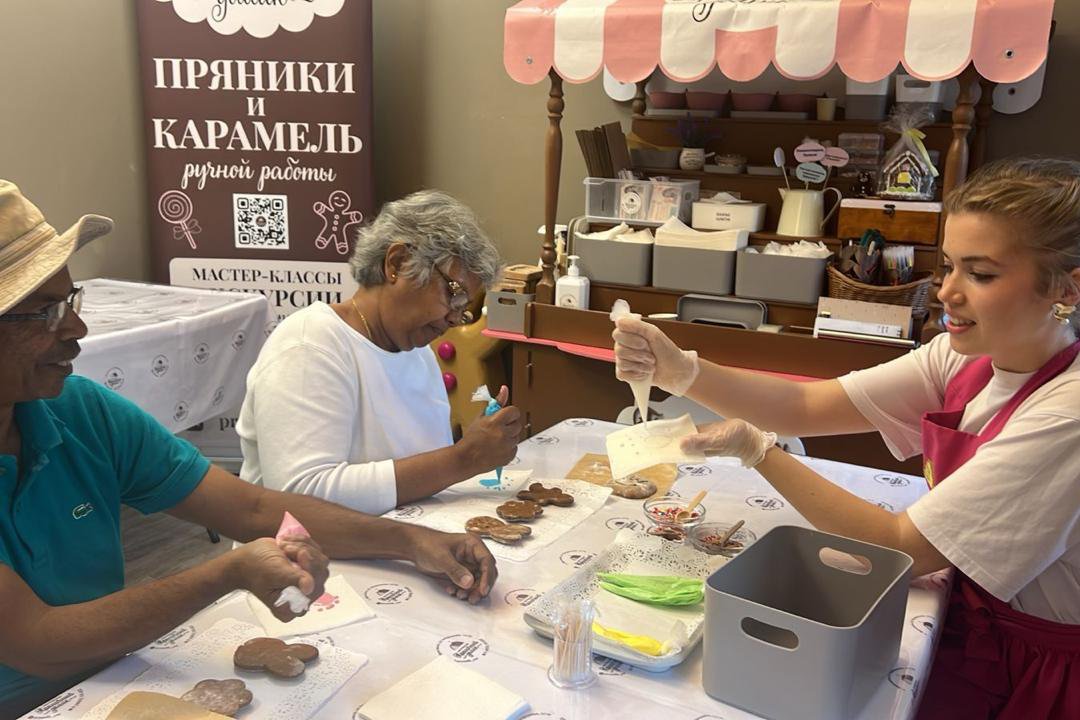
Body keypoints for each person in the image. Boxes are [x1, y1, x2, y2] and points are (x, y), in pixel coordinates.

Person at [0, 181, 498, 717]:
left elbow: (256, 509)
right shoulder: (313, 343)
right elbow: (41, 642)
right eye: (45, 312)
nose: (76, 327)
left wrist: (412, 540)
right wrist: (225, 573)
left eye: (70, 301)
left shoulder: (80, 411)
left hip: (113, 675)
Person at [613, 158, 1080, 718]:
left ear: (1066, 289)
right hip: (969, 610)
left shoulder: (1064, 414)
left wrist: (759, 452)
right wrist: (681, 371)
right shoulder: (968, 359)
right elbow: (806, 404)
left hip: (1032, 665)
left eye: (980, 275)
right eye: (949, 266)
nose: (947, 293)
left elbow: (901, 543)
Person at [237, 190, 522, 514]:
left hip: (401, 548)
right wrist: (464, 458)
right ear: (397, 263)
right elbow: (301, 498)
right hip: (309, 560)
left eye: (464, 308)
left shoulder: (418, 355)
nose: (456, 319)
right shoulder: (308, 345)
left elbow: (421, 477)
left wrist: (474, 450)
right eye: (454, 295)